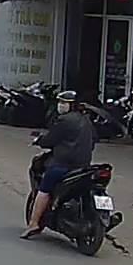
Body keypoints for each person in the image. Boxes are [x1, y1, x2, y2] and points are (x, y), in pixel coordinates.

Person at [22, 90, 95, 239]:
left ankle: (34, 223)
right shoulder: (87, 120)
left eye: (64, 103)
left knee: (44, 189)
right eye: (60, 102)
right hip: (83, 166)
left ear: (71, 105)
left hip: (63, 165)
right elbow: (93, 141)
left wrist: (39, 141)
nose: (60, 105)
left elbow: (51, 139)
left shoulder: (64, 120)